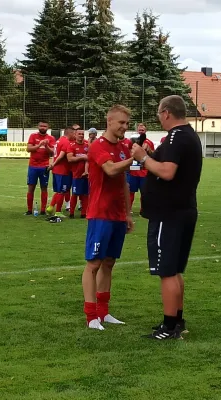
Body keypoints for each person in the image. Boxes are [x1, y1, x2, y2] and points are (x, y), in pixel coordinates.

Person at [132, 95, 202, 340]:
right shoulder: (189, 135)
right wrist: (151, 155)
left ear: (167, 113)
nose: (158, 118)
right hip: (184, 209)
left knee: (166, 271)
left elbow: (167, 172)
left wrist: (143, 157)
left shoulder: (175, 136)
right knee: (175, 269)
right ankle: (177, 320)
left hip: (169, 213)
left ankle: (169, 326)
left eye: (159, 113)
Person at [82, 105, 134, 330]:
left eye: (127, 123)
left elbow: (123, 181)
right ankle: (91, 316)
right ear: (110, 121)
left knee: (109, 263)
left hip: (117, 215)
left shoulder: (123, 146)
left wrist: (128, 213)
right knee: (93, 264)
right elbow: (111, 170)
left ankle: (104, 312)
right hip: (99, 214)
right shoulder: (97, 146)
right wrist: (133, 159)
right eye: (121, 123)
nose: (125, 127)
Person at [26, 121, 56, 215]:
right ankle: (29, 210)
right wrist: (39, 145)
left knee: (44, 187)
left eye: (45, 126)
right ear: (38, 126)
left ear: (48, 127)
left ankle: (43, 210)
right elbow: (28, 149)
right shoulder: (33, 136)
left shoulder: (51, 138)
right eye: (41, 126)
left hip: (44, 166)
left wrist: (46, 145)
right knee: (31, 187)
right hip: (33, 166)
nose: (43, 127)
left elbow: (52, 152)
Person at [47, 126, 75, 217]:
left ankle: (51, 207)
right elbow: (61, 156)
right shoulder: (66, 142)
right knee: (62, 191)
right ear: (69, 133)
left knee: (58, 191)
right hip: (62, 170)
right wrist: (54, 164)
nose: (74, 135)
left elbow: (55, 154)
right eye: (73, 133)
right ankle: (58, 212)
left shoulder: (58, 140)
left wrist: (52, 165)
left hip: (56, 171)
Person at [128, 123, 155, 213]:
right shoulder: (131, 142)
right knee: (130, 192)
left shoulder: (149, 142)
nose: (141, 132)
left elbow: (153, 155)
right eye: (139, 130)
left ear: (145, 131)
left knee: (144, 193)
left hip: (144, 172)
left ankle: (143, 210)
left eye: (142, 130)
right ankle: (128, 209)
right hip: (133, 172)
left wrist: (148, 150)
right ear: (137, 131)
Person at [67, 128, 89, 218]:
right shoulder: (71, 146)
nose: (81, 136)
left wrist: (86, 171)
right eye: (79, 134)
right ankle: (71, 213)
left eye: (82, 134)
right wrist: (82, 157)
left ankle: (84, 213)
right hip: (76, 174)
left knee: (86, 194)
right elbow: (70, 159)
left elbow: (90, 159)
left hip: (86, 174)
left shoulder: (87, 145)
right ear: (75, 135)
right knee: (75, 194)